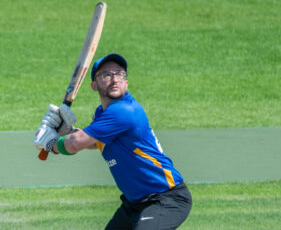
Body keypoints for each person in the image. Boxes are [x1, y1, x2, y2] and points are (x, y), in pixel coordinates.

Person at [33, 53, 192, 230]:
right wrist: (67, 132)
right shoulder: (103, 113)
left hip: (165, 198)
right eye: (106, 75)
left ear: (126, 82)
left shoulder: (123, 111)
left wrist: (52, 145)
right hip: (135, 203)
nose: (115, 79)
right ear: (94, 85)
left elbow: (75, 144)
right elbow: (95, 142)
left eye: (120, 74)